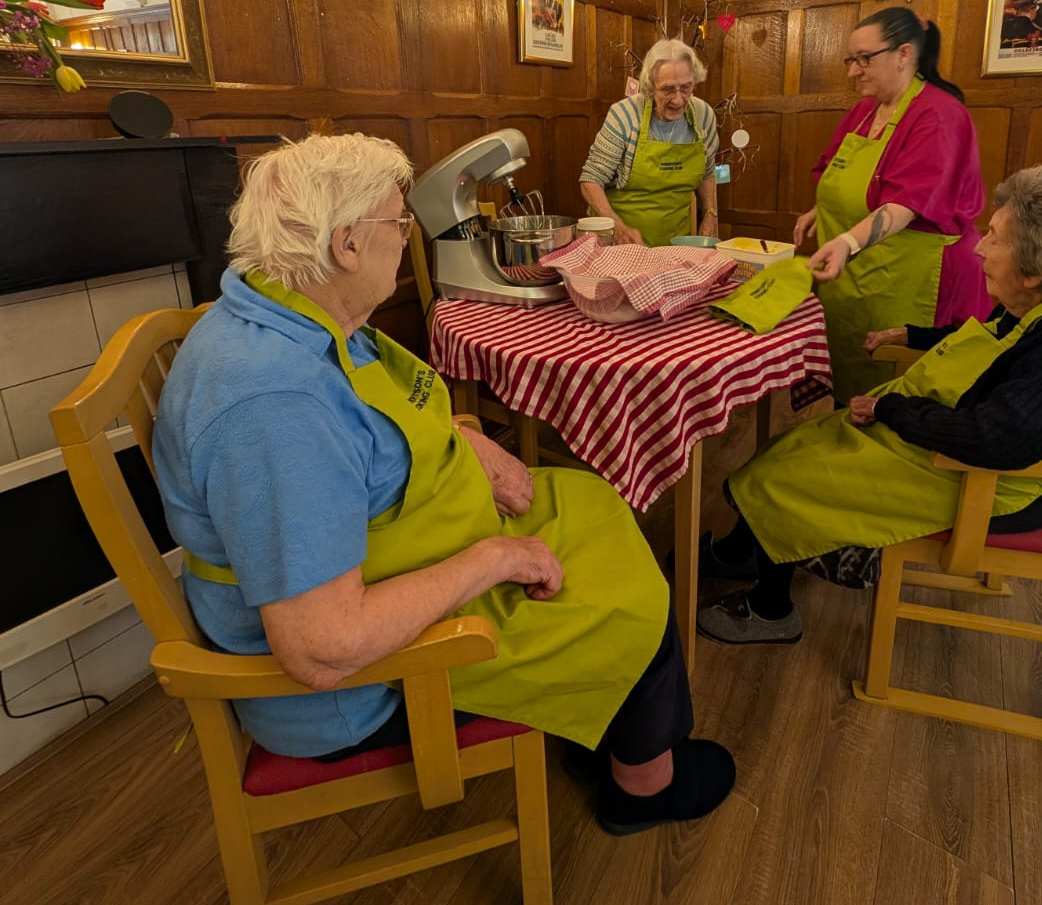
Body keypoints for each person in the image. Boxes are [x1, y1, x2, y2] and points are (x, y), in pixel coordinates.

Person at [152, 133, 734, 835]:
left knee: (592, 505)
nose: (407, 238)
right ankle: (644, 787)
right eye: (398, 222)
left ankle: (611, 724)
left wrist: (466, 438)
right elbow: (323, 647)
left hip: (395, 555)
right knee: (627, 598)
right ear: (346, 244)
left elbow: (364, 431)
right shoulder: (273, 403)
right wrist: (495, 558)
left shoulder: (290, 309)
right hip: (369, 686)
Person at [697, 164, 1042, 644]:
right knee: (791, 445)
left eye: (996, 238)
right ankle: (742, 554)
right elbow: (995, 343)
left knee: (790, 478)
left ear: (1035, 270)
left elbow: (993, 439)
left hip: (998, 484)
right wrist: (913, 336)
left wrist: (890, 411)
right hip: (982, 445)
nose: (979, 246)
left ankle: (771, 610)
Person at [794, 6, 992, 402]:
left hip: (914, 278)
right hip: (857, 275)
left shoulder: (939, 114)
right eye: (851, 60)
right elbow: (838, 175)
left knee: (899, 389)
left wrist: (846, 242)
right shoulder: (863, 111)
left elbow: (906, 203)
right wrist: (822, 208)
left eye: (864, 59)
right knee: (853, 374)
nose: (853, 71)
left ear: (904, 54)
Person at [579, 38, 720, 246]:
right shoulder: (624, 115)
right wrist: (619, 228)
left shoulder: (703, 115)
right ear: (650, 86)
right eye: (668, 89)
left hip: (674, 244)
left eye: (686, 87)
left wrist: (710, 213)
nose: (678, 99)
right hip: (620, 244)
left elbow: (707, 171)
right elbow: (590, 180)